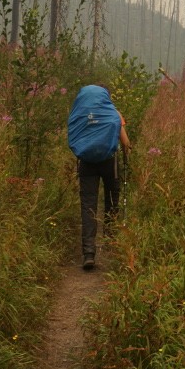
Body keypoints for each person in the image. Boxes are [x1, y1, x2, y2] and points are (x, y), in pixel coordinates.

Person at [77, 105, 131, 271]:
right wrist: (127, 159)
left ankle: (89, 253)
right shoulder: (114, 111)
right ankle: (111, 239)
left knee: (88, 205)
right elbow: (125, 142)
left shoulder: (83, 112)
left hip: (86, 162)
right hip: (109, 161)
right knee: (111, 198)